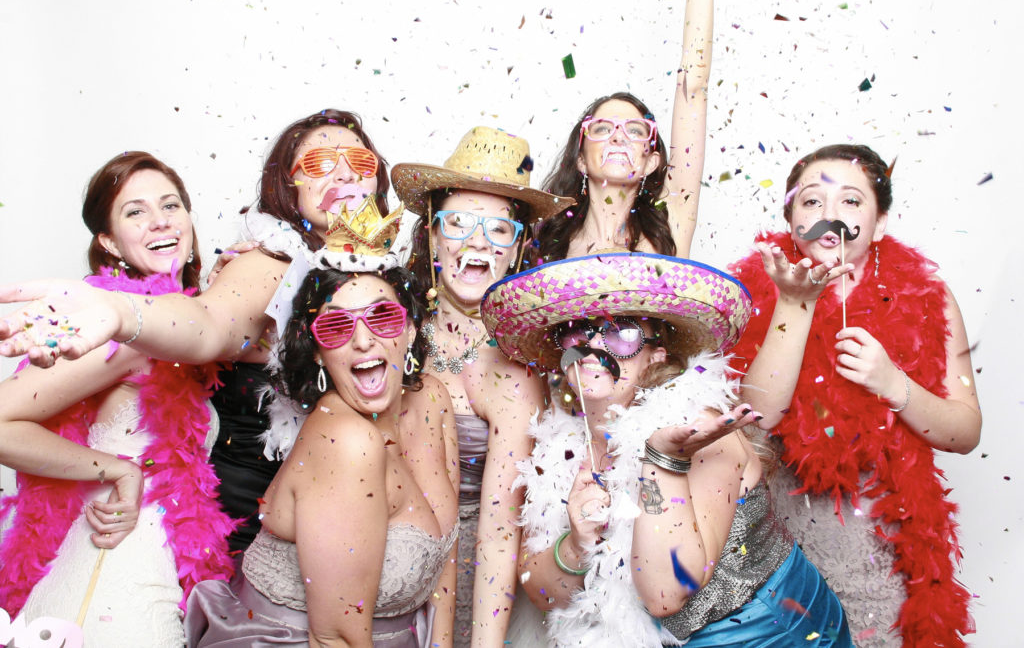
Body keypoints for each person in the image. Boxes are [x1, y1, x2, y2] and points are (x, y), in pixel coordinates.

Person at [0, 110, 417, 555]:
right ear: (288, 189)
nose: (345, 170)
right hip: (257, 536)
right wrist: (119, 311)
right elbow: (209, 328)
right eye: (318, 164)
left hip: (356, 521)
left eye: (359, 159)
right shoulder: (268, 265)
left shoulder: (384, 277)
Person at [481, 252, 851, 647]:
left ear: (656, 354)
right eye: (577, 333)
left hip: (774, 633)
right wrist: (574, 545)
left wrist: (663, 461)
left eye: (620, 333)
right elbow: (539, 594)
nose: (593, 347)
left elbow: (665, 595)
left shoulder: (698, 427)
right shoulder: (560, 448)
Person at [729, 144, 981, 647]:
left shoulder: (930, 297)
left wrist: (895, 385)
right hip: (777, 553)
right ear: (790, 216)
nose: (829, 217)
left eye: (850, 201)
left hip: (884, 552)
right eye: (812, 202)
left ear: (880, 222)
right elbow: (757, 415)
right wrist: (794, 306)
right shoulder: (750, 290)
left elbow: (965, 431)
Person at [0, 152, 234, 646]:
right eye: (135, 212)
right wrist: (120, 469)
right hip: (109, 562)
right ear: (109, 241)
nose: (160, 221)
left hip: (163, 558)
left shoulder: (185, 321)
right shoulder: (125, 330)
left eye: (171, 205)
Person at [185, 265, 459, 647]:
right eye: (336, 327)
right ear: (316, 352)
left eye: (382, 316)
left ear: (410, 330)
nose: (363, 340)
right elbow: (334, 638)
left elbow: (443, 568)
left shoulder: (430, 398)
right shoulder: (346, 442)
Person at [391, 126, 571, 646]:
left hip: (478, 573)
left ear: (516, 249)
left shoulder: (516, 366)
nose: (476, 240)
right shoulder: (384, 329)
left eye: (497, 229)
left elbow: (498, 530)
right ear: (430, 233)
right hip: (376, 558)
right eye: (461, 223)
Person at [534, 0, 715, 263]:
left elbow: (693, 88)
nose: (619, 136)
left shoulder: (670, 225)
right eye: (603, 129)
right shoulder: (551, 245)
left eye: (635, 130)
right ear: (580, 159)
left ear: (651, 161)